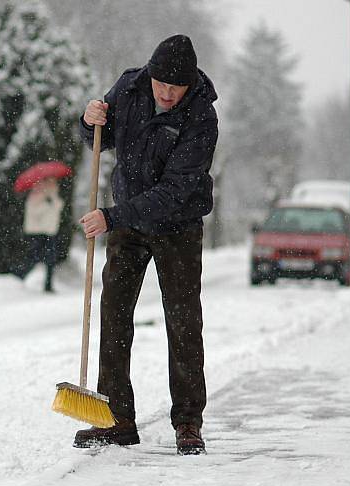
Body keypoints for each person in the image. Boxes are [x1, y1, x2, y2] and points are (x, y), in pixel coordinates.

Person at [74, 35, 218, 455]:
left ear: (189, 85)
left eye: (176, 88)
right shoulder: (130, 87)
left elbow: (176, 191)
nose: (167, 94)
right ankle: (118, 419)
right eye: (161, 85)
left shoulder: (201, 117)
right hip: (128, 222)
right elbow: (99, 139)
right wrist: (89, 121)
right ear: (151, 75)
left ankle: (188, 422)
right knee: (114, 314)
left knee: (183, 323)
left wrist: (111, 216)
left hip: (178, 226)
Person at [20, 177, 64, 292]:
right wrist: (46, 204)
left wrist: (52, 200)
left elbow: (59, 207)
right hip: (37, 232)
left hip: (51, 232)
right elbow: (34, 212)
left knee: (51, 259)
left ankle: (48, 285)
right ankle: (20, 277)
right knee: (34, 256)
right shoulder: (37, 194)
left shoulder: (53, 196)